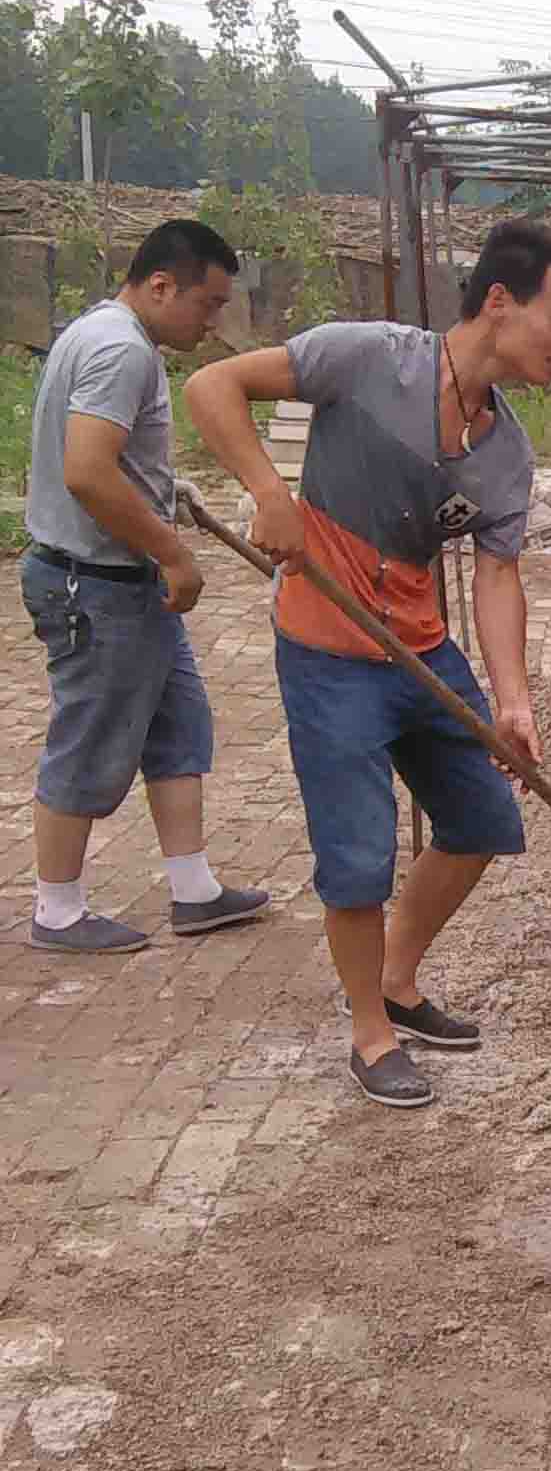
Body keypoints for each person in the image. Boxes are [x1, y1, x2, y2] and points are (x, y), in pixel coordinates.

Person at [184, 219, 551, 1109]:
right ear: (498, 301)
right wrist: (268, 493)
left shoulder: (504, 452)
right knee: (358, 857)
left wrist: (513, 700)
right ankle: (369, 1034)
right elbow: (213, 384)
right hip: (329, 650)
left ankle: (398, 983)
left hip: (422, 650)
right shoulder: (368, 358)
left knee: (487, 817)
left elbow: (496, 577)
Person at [20, 219, 271, 954]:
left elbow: (106, 463)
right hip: (93, 585)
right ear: (162, 285)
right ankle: (57, 910)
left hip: (119, 577)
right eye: (209, 303)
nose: (213, 319)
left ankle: (194, 889)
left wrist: (164, 495)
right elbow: (87, 471)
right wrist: (175, 555)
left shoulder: (102, 332)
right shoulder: (121, 350)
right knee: (90, 738)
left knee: (178, 729)